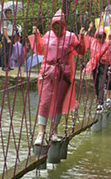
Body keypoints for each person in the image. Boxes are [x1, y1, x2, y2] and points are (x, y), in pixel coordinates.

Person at [30, 10, 87, 145]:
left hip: (63, 73)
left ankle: (54, 130)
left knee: (58, 103)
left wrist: (82, 38)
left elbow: (81, 51)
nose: (57, 29)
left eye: (59, 25)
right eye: (54, 26)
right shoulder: (48, 36)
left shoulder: (70, 37)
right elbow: (39, 49)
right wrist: (37, 36)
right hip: (47, 72)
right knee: (44, 101)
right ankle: (40, 133)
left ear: (64, 25)